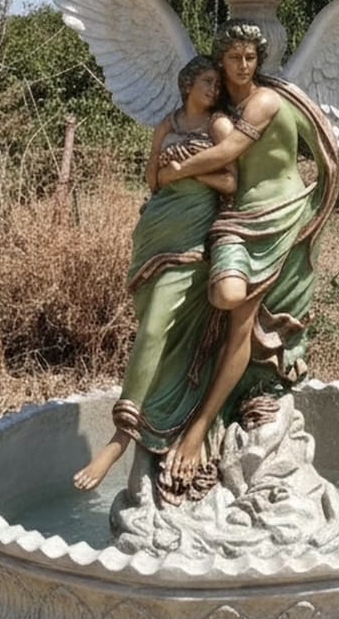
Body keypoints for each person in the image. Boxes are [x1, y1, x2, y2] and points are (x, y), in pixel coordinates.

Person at [156, 20, 339, 490]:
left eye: (251, 57)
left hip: (279, 217)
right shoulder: (219, 109)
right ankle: (190, 394)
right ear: (220, 61)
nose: (243, 65)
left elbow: (230, 152)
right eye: (234, 57)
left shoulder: (266, 101)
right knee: (222, 296)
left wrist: (175, 170)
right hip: (238, 218)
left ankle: (200, 427)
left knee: (238, 314)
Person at [73, 56, 236, 492]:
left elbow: (231, 183)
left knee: (153, 332)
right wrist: (170, 166)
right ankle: (159, 417)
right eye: (207, 81)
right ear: (188, 84)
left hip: (190, 245)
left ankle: (119, 437)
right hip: (153, 236)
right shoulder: (168, 124)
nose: (214, 89)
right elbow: (153, 180)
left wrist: (190, 167)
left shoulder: (219, 126)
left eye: (217, 85)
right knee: (155, 334)